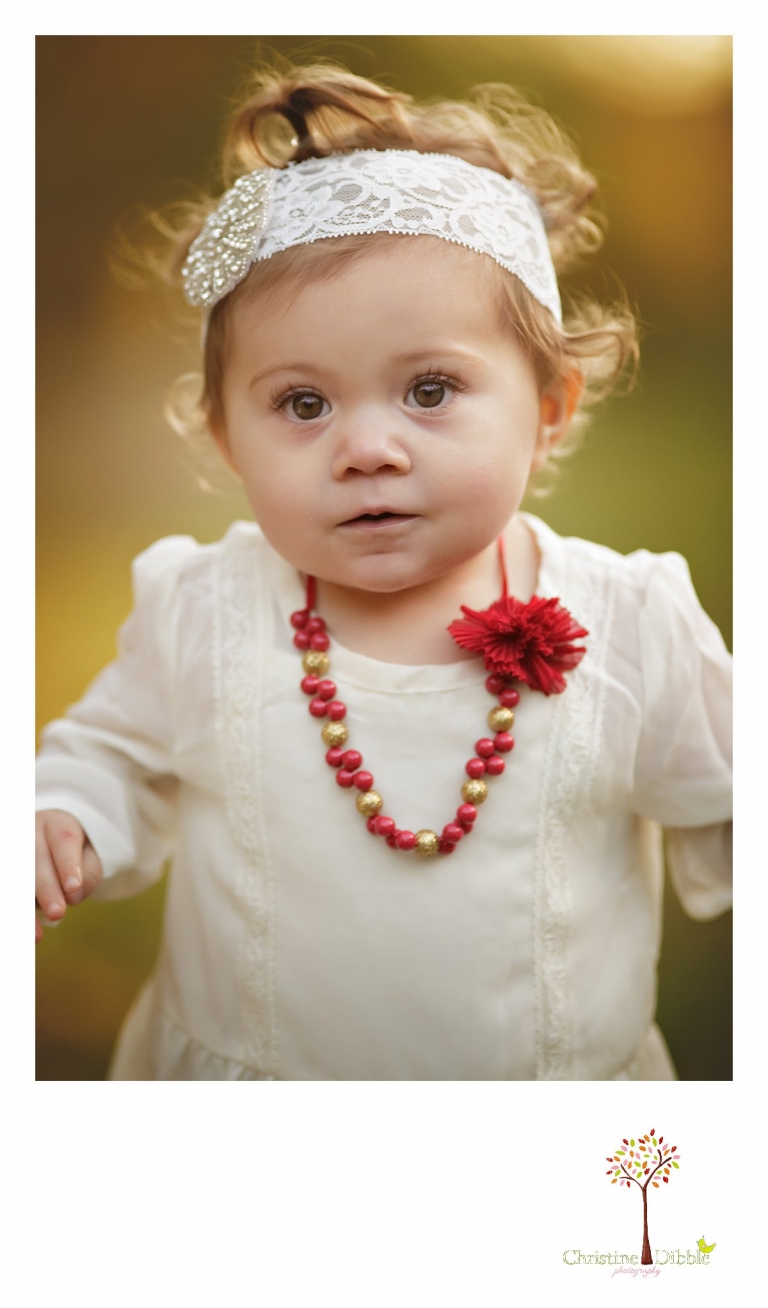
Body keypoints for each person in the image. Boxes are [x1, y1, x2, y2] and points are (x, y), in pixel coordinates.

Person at [35, 63, 732, 1080]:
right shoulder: (207, 612)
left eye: (431, 389)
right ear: (227, 435)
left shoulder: (630, 627)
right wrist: (66, 814)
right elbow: (111, 752)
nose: (367, 447)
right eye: (303, 404)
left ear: (548, 406)